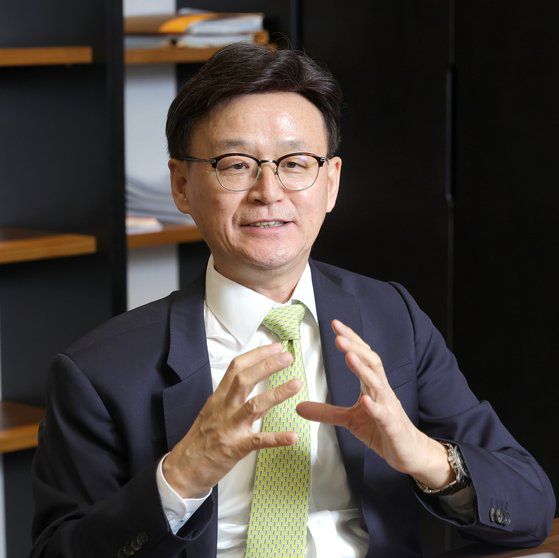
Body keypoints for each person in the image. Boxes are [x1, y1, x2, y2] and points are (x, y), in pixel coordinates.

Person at [31, 42, 555, 558]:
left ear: (331, 183)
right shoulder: (100, 371)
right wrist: (182, 475)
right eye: (236, 164)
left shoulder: (392, 317)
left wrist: (423, 454)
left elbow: (529, 506)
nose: (269, 191)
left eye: (296, 163)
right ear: (182, 185)